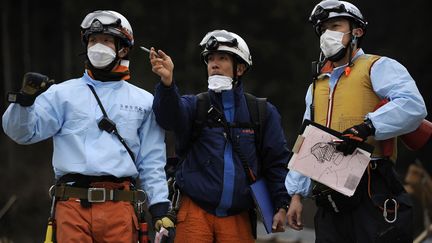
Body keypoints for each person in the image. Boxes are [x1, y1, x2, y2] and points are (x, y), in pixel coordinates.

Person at [2, 10, 174, 242]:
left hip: (121, 207)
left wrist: (160, 208)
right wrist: (24, 101)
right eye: (93, 40)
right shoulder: (61, 94)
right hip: (71, 206)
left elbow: (152, 161)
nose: (97, 46)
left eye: (105, 40)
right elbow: (22, 133)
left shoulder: (144, 101)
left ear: (123, 48)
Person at [285, 1, 427, 242]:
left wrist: (368, 126)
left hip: (372, 187)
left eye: (335, 25)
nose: (327, 34)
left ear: (357, 31)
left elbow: (413, 105)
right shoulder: (316, 85)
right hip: (329, 194)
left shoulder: (378, 66)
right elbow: (305, 142)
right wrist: (296, 196)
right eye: (323, 29)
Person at [150, 29, 291, 242]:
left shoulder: (261, 112)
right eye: (210, 59)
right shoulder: (194, 105)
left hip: (238, 217)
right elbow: (167, 117)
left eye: (222, 58)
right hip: (194, 212)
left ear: (240, 68)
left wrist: (281, 204)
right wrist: (167, 84)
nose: (214, 64)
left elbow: (277, 162)